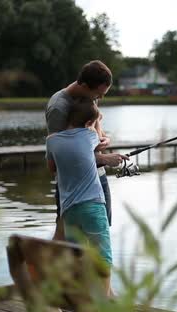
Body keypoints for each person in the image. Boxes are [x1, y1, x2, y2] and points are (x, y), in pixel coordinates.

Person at [45, 60, 127, 240]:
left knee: (101, 236)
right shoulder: (59, 107)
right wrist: (104, 159)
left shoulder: (90, 98)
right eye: (98, 93)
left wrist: (105, 139)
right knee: (69, 243)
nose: (100, 98)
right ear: (82, 85)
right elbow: (60, 158)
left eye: (102, 94)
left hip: (99, 180)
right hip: (74, 190)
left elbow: (96, 133)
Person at [46, 99, 113, 296]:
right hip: (93, 205)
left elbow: (52, 169)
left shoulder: (52, 140)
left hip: (68, 209)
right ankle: (100, 309)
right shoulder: (90, 136)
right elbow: (102, 141)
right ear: (88, 123)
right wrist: (98, 122)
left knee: (76, 256)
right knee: (103, 258)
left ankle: (80, 308)